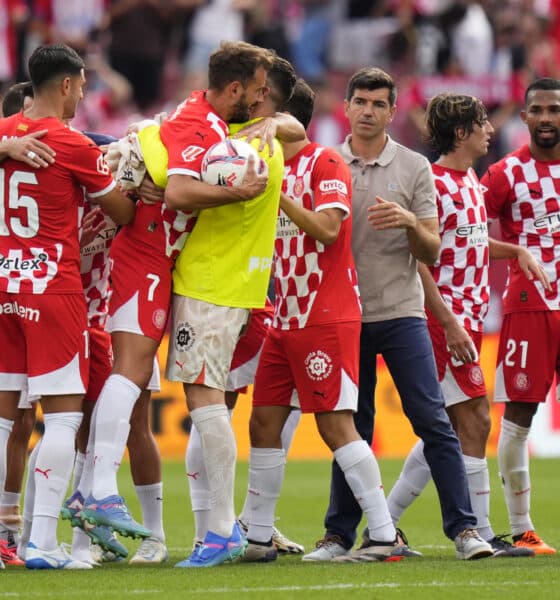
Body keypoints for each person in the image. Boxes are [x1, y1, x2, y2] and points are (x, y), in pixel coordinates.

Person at [80, 40, 274, 568]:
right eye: (256, 93)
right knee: (131, 368)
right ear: (233, 88)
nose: (259, 103)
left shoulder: (204, 120)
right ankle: (96, 489)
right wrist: (239, 194)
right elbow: (181, 194)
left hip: (158, 258)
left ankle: (101, 497)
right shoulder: (197, 125)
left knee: (136, 377)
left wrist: (274, 127)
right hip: (145, 251)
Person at [304, 67, 493, 562]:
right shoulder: (325, 163)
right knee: (354, 427)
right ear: (345, 107)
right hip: (345, 314)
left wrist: (410, 220)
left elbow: (431, 250)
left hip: (403, 311)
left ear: (391, 112)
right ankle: (338, 535)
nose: (368, 111)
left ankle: (465, 530)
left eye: (378, 104)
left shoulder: (414, 167)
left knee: (433, 422)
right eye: (360, 101)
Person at [240, 78, 403, 565]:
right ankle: (259, 537)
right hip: (285, 315)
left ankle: (383, 535)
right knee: (263, 422)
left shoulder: (324, 162)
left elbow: (330, 231)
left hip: (325, 314)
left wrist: (279, 198)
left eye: (265, 115)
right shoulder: (272, 167)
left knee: (335, 425)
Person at [386, 92, 550, 558]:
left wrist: (515, 250)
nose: (490, 131)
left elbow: (471, 245)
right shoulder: (433, 184)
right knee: (474, 418)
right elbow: (419, 260)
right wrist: (447, 321)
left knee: (446, 430)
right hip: (445, 321)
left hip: (469, 319)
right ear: (462, 133)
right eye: (482, 124)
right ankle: (476, 531)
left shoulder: (472, 182)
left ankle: (387, 524)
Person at [0, 43, 134, 570]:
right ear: (67, 84)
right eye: (82, 85)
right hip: (53, 288)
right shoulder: (71, 143)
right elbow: (121, 212)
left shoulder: (9, 131)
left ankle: (13, 534)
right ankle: (40, 543)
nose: (84, 93)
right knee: (61, 418)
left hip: (5, 282)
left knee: (4, 420)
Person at [183, 54, 304, 557]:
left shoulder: (234, 148)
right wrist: (275, 121)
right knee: (213, 404)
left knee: (207, 405)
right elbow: (295, 130)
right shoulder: (270, 141)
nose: (254, 98)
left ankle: (220, 531)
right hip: (246, 291)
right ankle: (218, 529)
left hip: (212, 285)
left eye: (260, 93)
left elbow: (178, 195)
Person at [481, 77, 560, 555]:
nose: (547, 118)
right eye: (539, 110)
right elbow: (461, 228)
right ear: (524, 116)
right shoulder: (506, 174)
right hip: (529, 306)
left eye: (555, 109)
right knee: (520, 415)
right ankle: (522, 527)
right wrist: (512, 250)